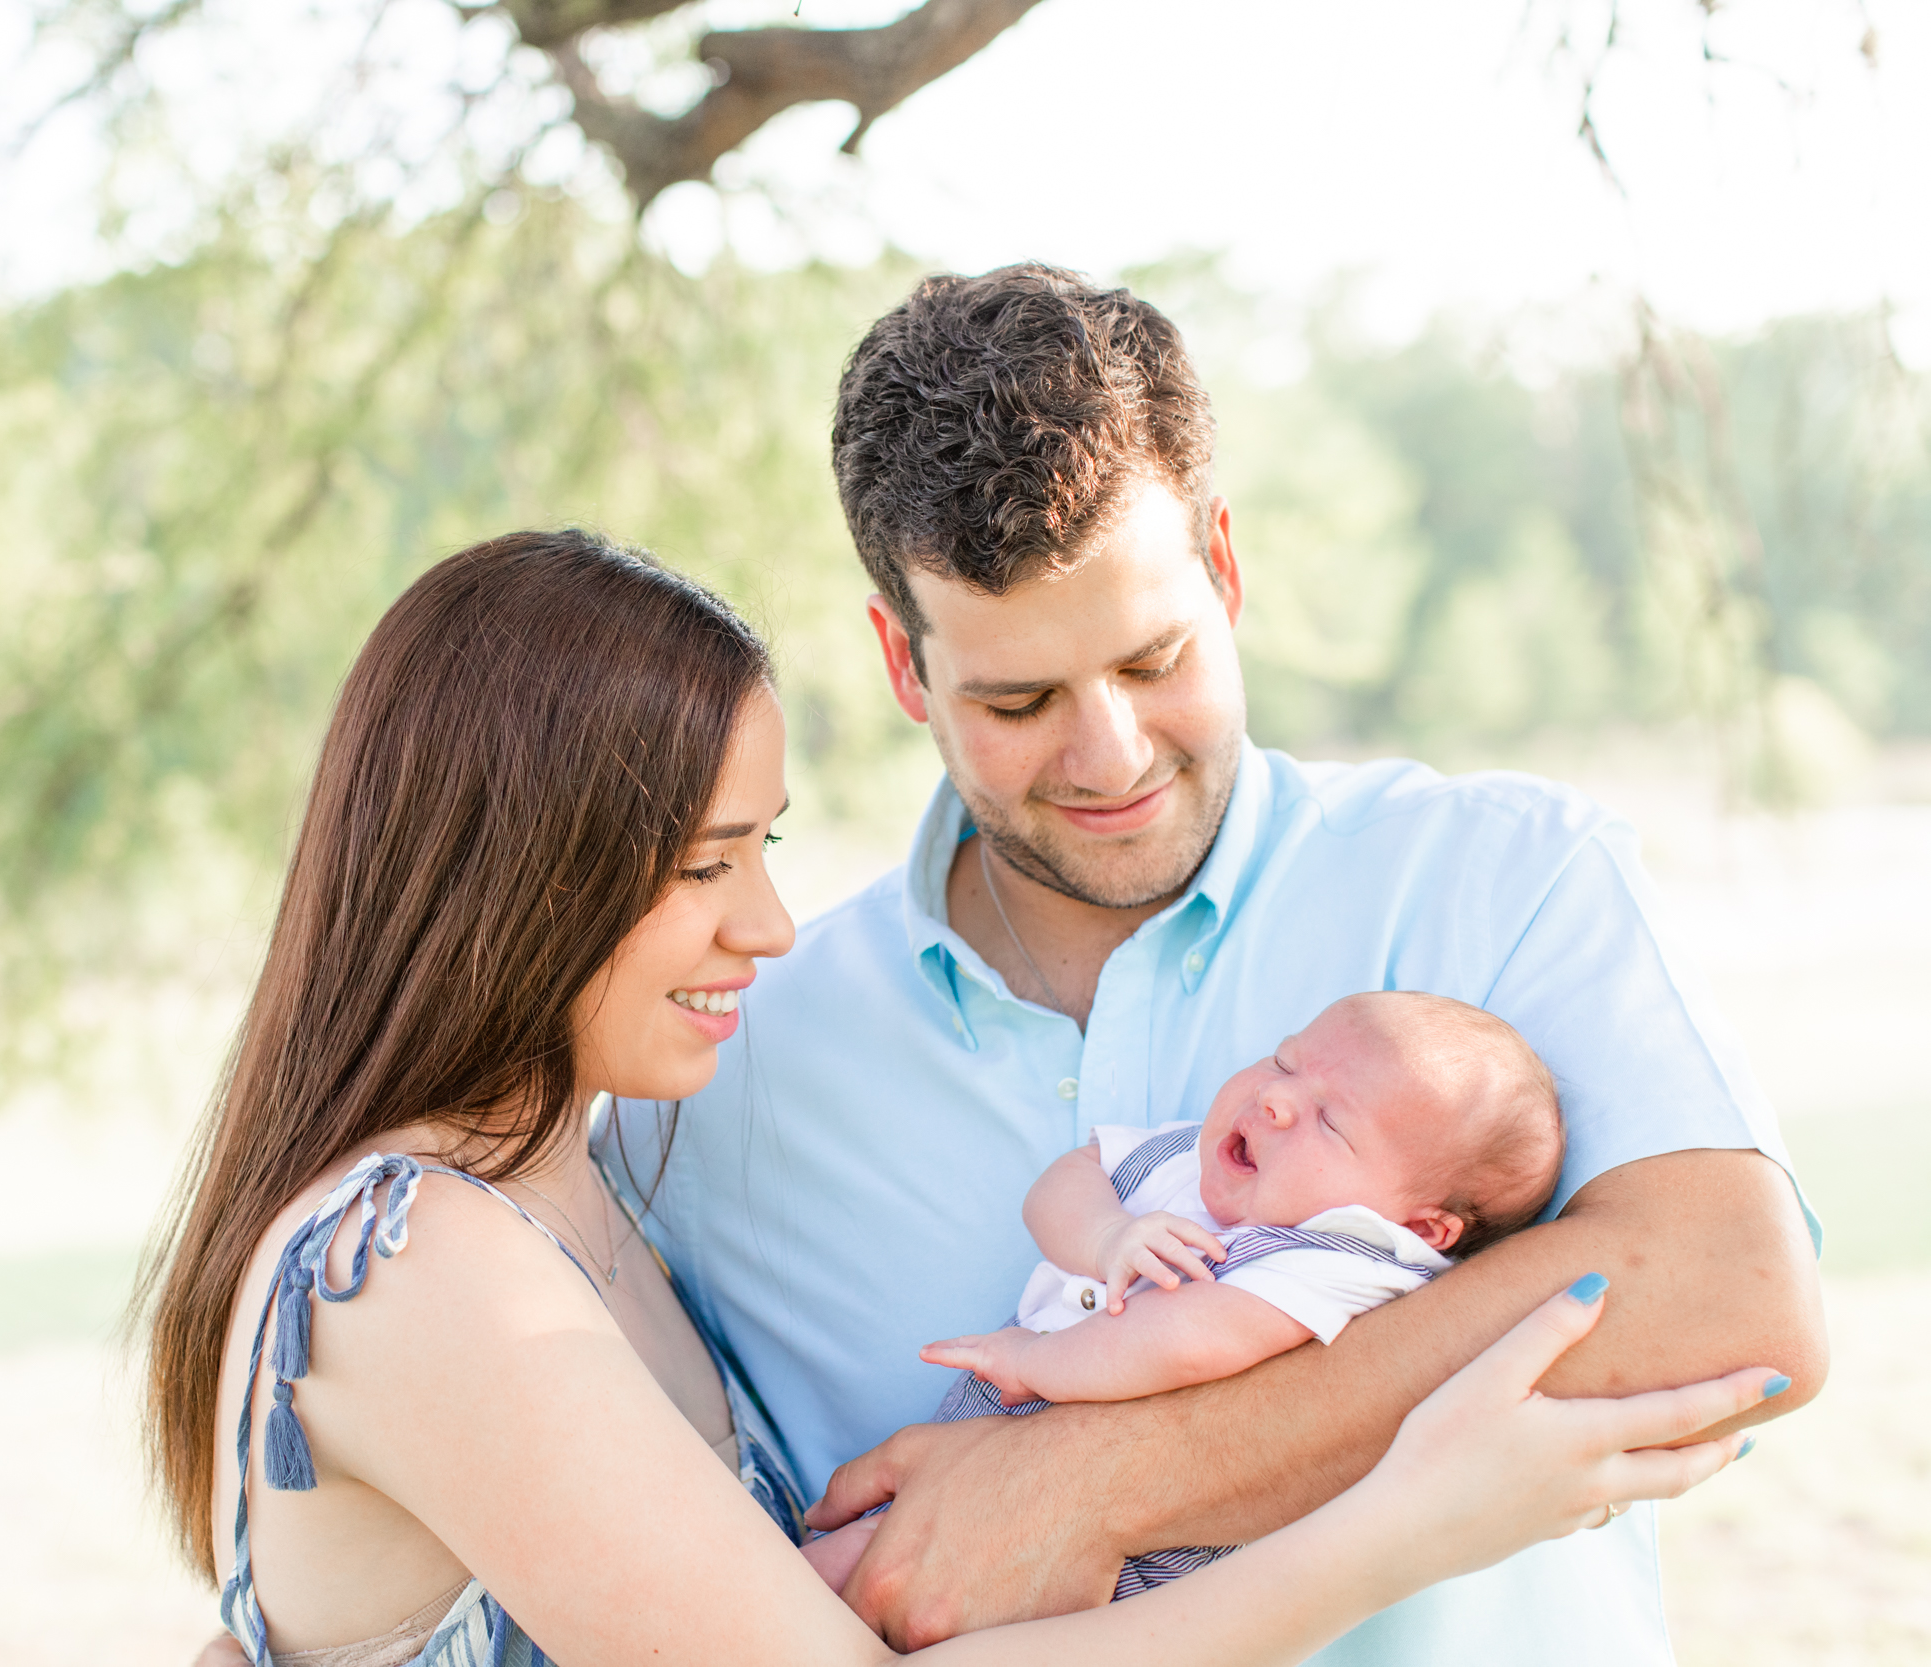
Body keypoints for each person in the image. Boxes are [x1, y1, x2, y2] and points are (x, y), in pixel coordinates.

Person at [144, 529, 1774, 1667]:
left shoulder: (579, 1187)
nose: (768, 924)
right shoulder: (421, 1256)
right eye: (705, 862)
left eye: (765, 848)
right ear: (513, 879)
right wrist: (1406, 1520)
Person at [606, 265, 1827, 1661]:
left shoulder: (1504, 876)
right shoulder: (721, 1070)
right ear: (903, 666)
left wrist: (1103, 1480)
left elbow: (1738, 1301)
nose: (1110, 753)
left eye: (1154, 657)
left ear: (1226, 567)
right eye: (1018, 698)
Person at [804, 990, 1566, 1594]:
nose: (1274, 1099)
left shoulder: (1354, 1254)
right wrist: (1107, 1235)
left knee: (858, 1578)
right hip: (1001, 1424)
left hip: (1123, 1530)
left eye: (1331, 1121)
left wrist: (1038, 1362)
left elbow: (1194, 1341)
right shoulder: (1192, 1156)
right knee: (848, 1563)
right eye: (1284, 1060)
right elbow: (1067, 1181)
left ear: (1422, 1226)